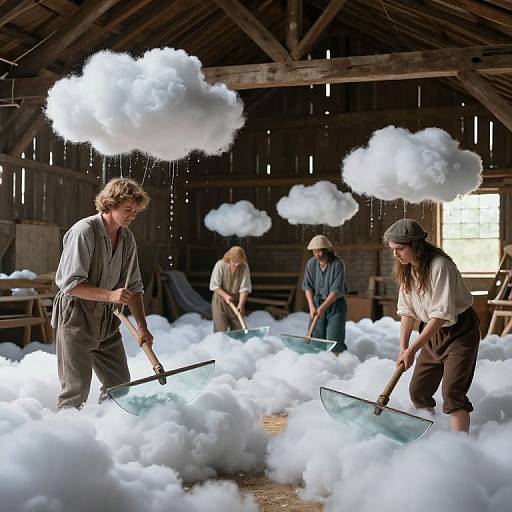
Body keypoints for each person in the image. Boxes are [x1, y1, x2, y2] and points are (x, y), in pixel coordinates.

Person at [51, 178, 153, 409]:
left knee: (120, 385)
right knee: (75, 391)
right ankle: (65, 440)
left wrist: (142, 327)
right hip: (76, 316)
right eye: (128, 209)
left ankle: (108, 432)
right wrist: (110, 296)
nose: (132, 216)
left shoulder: (127, 238)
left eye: (136, 211)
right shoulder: (83, 232)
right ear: (110, 204)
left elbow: (134, 286)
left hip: (106, 321)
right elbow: (71, 284)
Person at [383, 218, 480, 433]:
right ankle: (431, 438)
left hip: (459, 331)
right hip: (432, 332)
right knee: (419, 390)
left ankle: (460, 448)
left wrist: (413, 349)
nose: (395, 255)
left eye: (399, 249)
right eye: (392, 249)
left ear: (415, 245)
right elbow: (407, 312)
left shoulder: (441, 267)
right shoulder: (407, 269)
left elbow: (440, 315)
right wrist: (403, 348)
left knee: (452, 392)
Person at [302, 235, 347, 354]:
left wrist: (323, 307)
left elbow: (336, 290)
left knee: (334, 338)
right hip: (317, 303)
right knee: (316, 339)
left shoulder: (337, 264)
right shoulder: (311, 264)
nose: (318, 254)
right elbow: (307, 286)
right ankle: (319, 365)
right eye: (315, 251)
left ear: (327, 250)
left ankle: (336, 362)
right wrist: (312, 306)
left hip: (335, 305)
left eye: (321, 251)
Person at [209, 246, 252, 332]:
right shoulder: (220, 265)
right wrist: (225, 296)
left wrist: (240, 304)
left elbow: (245, 287)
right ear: (229, 259)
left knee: (239, 331)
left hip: (236, 300)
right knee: (220, 331)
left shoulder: (244, 266)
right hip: (220, 300)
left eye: (239, 263)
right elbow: (214, 286)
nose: (237, 265)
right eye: (235, 262)